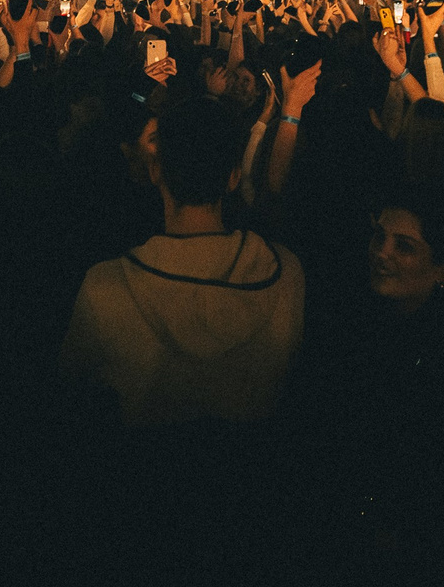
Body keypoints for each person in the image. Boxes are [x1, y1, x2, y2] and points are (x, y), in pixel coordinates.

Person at [59, 97, 305, 426]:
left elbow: (70, 390)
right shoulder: (285, 275)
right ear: (233, 178)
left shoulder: (104, 289)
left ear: (156, 168)